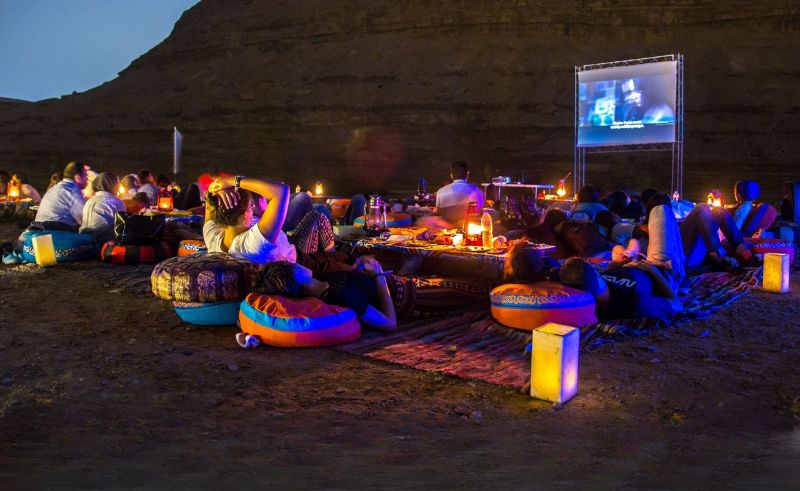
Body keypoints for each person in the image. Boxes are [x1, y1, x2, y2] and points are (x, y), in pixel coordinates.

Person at [253, 257, 397, 331]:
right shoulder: (340, 296)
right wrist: (379, 275)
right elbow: (390, 323)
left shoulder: (322, 283)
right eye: (292, 265)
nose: (296, 263)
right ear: (295, 278)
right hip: (398, 293)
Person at [560, 257, 683, 321]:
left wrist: (613, 267)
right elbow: (678, 306)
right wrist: (653, 270)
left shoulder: (590, 285)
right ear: (596, 273)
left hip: (632, 264)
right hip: (664, 267)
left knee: (622, 247)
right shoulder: (634, 303)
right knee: (661, 215)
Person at [33, 161, 89, 230]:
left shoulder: (57, 187)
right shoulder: (71, 189)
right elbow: (83, 219)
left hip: (40, 228)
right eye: (85, 175)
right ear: (77, 177)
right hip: (54, 230)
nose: (87, 179)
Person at [79, 172, 126, 243]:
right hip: (102, 239)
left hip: (83, 235)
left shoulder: (90, 200)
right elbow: (122, 224)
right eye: (117, 183)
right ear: (112, 185)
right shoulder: (116, 202)